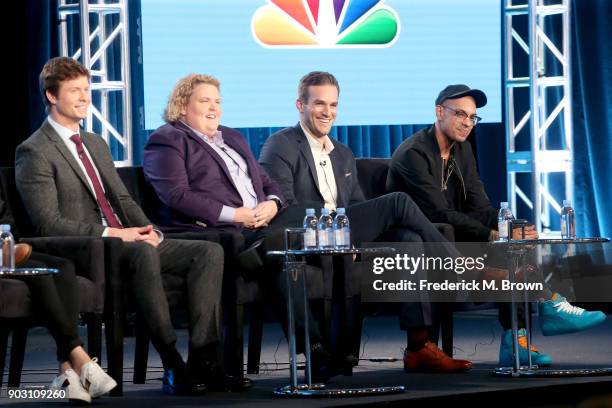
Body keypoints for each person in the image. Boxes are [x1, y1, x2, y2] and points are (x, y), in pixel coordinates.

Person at [14, 57, 250, 395]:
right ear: (52, 96)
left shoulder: (94, 142)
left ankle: (204, 358)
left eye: (87, 90)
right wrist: (115, 234)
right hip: (87, 249)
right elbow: (47, 221)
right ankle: (172, 362)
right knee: (141, 254)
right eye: (74, 91)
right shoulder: (34, 151)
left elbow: (122, 201)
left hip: (127, 239)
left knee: (207, 252)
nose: (84, 98)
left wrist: (148, 229)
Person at [258, 71, 473, 373]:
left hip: (344, 233)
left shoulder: (342, 153)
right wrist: (342, 228)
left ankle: (419, 345)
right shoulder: (280, 144)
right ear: (300, 105)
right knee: (397, 201)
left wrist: (355, 237)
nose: (327, 112)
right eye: (319, 104)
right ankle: (457, 267)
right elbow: (284, 207)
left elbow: (358, 205)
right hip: (307, 234)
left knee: (409, 239)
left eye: (333, 105)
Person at [386, 84, 606, 366]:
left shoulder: (462, 150)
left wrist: (511, 228)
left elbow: (480, 207)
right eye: (460, 114)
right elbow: (436, 214)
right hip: (421, 242)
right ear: (439, 112)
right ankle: (550, 303)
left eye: (472, 118)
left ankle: (518, 342)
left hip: (454, 236)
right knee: (496, 241)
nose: (467, 123)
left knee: (513, 243)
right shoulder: (413, 154)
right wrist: (491, 234)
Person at [142, 73, 340, 381]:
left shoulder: (232, 137)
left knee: (303, 220)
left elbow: (267, 182)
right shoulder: (168, 139)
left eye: (218, 102)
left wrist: (273, 203)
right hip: (220, 232)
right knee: (285, 252)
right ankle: (315, 347)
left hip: (261, 226)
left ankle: (313, 344)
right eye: (204, 101)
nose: (214, 108)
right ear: (182, 107)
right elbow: (176, 195)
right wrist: (236, 215)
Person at [1, 193, 116, 403]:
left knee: (62, 267)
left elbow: (5, 219)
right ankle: (81, 358)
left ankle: (66, 371)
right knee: (40, 270)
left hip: (4, 251)